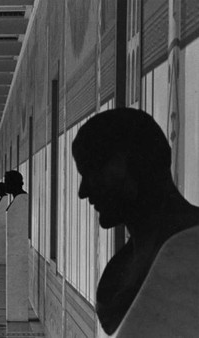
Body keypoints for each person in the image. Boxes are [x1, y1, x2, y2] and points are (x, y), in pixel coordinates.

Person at [72, 108, 199, 335]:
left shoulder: (189, 247)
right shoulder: (124, 263)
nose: (83, 191)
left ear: (135, 163)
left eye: (94, 171)